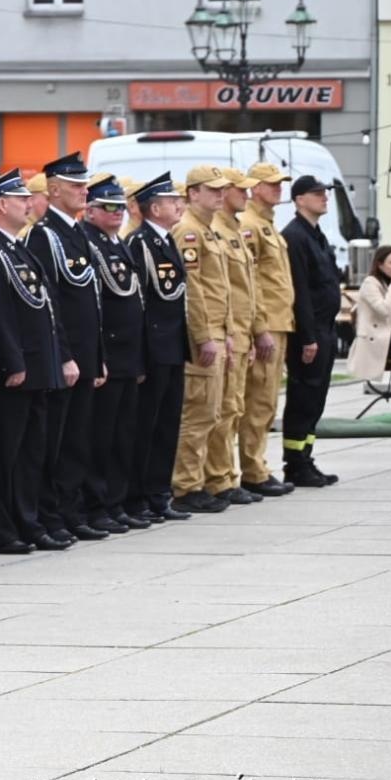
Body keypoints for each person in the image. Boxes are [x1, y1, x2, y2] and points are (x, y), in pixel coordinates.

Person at [0, 170, 65, 554]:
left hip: (37, 364)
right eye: (21, 198)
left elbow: (43, 306)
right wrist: (12, 361)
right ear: (1, 204)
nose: (29, 203)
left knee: (30, 451)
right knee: (4, 452)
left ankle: (27, 522)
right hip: (14, 369)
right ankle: (0, 529)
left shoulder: (17, 246)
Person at [25, 153, 97, 545]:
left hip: (86, 354)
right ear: (53, 190)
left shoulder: (76, 231)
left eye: (84, 185)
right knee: (55, 442)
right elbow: (50, 303)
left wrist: (97, 356)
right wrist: (65, 354)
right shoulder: (44, 235)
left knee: (78, 440)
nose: (84, 192)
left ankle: (71, 511)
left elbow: (91, 301)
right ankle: (50, 515)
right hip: (65, 356)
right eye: (75, 186)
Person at [80, 176, 150, 533]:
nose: (117, 213)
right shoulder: (89, 243)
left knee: (123, 435)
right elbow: (94, 307)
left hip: (128, 354)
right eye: (109, 207)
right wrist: (100, 356)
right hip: (108, 353)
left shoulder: (117, 243)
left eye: (121, 207)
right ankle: (96, 506)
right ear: (90, 210)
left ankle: (116, 502)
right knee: (100, 437)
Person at [124, 174, 192, 525]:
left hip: (173, 345)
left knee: (167, 425)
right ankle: (138, 498)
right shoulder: (140, 243)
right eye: (171, 201)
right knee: (145, 427)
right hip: (153, 348)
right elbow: (139, 302)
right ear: (154, 208)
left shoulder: (166, 241)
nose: (179, 205)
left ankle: (159, 493)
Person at [170, 165, 234, 515]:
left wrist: (229, 333)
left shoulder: (210, 230)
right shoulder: (189, 231)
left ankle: (204, 480)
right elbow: (192, 290)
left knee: (214, 413)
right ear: (193, 193)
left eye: (222, 189)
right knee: (197, 415)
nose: (220, 195)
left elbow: (221, 289)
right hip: (203, 337)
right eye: (212, 190)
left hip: (219, 333)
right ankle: (185, 486)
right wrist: (204, 336)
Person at [204, 168, 264, 507]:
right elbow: (210, 291)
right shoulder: (212, 232)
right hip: (224, 332)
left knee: (234, 408)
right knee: (221, 410)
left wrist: (254, 332)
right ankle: (217, 478)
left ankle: (226, 475)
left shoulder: (234, 231)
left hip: (238, 332)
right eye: (240, 189)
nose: (247, 195)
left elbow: (248, 289)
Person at [280, 174, 344, 486]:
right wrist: (307, 337)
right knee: (303, 398)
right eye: (317, 193)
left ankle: (306, 458)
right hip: (310, 332)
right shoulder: (295, 236)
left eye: (324, 192)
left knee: (316, 399)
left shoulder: (316, 235)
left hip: (325, 329)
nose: (324, 197)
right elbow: (300, 291)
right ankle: (294, 464)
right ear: (300, 199)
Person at [239, 163, 295, 496]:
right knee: (257, 400)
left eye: (280, 183)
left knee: (268, 400)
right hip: (266, 323)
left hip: (279, 321)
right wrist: (258, 326)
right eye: (271, 183)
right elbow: (252, 282)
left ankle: (257, 464)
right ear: (255, 187)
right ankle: (252, 470)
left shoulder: (267, 225)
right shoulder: (250, 225)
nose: (278, 188)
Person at [350, 245, 391, 381]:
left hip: (389, 336)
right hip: (377, 340)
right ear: (379, 265)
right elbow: (385, 310)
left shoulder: (386, 283)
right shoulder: (370, 284)